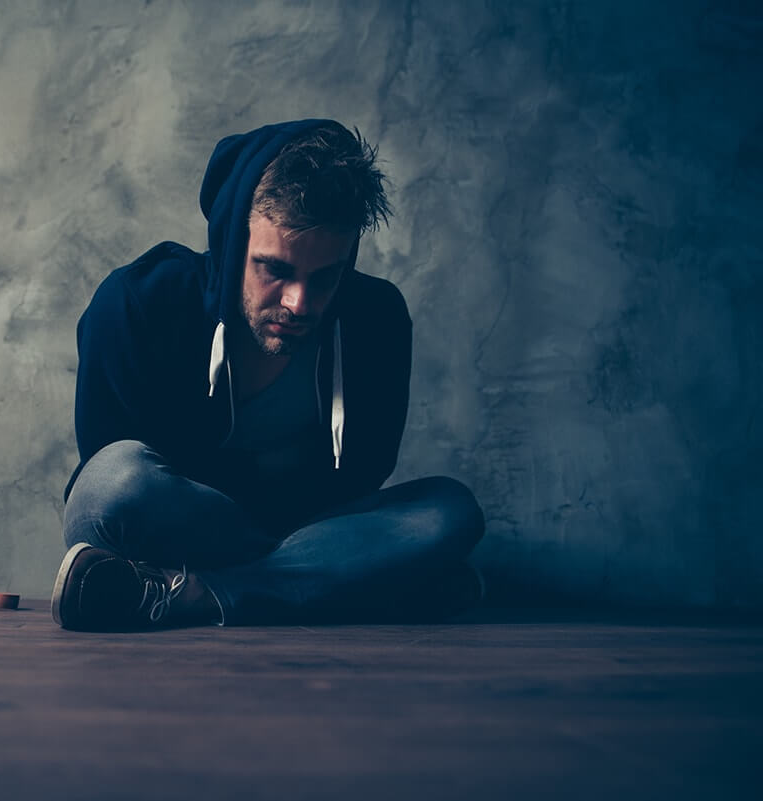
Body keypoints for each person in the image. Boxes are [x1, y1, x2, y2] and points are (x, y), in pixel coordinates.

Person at [51, 119, 485, 630]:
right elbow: (112, 499)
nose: (299, 302)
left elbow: (362, 479)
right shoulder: (136, 305)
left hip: (307, 529)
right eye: (274, 269)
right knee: (114, 482)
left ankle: (196, 596)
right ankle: (352, 585)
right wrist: (335, 560)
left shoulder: (377, 321)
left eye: (326, 277)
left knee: (449, 511)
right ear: (234, 243)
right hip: (183, 526)